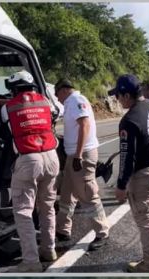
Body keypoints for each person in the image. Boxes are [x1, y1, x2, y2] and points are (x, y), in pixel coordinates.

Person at [109, 74, 149, 272]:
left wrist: (121, 185)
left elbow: (128, 157)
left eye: (118, 96)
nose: (117, 101)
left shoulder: (129, 120)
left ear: (127, 95)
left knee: (146, 221)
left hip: (145, 174)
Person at [0, 71, 60, 272]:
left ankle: (31, 261)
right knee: (47, 206)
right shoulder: (45, 101)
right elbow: (55, 114)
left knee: (24, 211)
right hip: (51, 156)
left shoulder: (9, 107)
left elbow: (5, 127)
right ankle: (49, 249)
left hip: (28, 159)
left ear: (15, 89)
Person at [54, 79, 109, 250]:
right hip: (74, 154)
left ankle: (102, 233)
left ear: (63, 90)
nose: (57, 98)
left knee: (87, 193)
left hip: (82, 155)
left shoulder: (77, 101)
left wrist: (78, 155)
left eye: (57, 94)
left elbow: (84, 125)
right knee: (67, 194)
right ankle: (63, 229)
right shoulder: (71, 103)